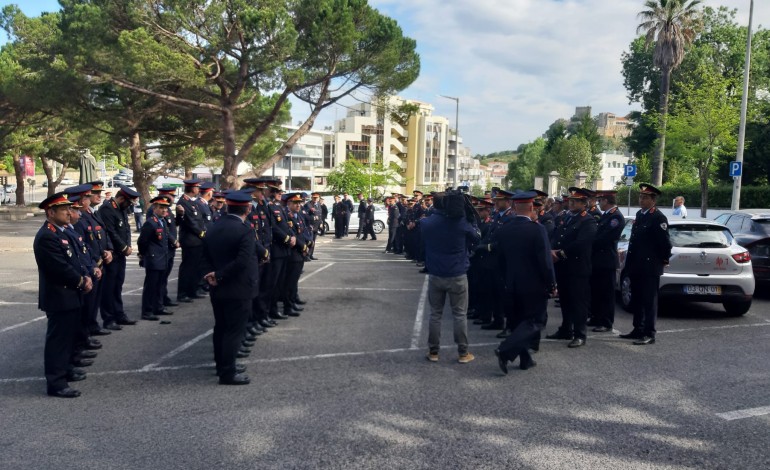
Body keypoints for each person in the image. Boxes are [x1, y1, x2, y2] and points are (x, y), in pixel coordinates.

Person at [34, 192, 93, 398]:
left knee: (68, 338)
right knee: (58, 341)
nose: (70, 212)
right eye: (64, 209)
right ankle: (56, 383)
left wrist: (85, 275)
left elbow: (77, 258)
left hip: (71, 294)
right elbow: (59, 268)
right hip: (59, 296)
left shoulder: (63, 232)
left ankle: (66, 369)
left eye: (70, 209)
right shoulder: (47, 236)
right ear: (50, 212)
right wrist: (80, 281)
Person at [201, 191, 260, 385]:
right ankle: (227, 372)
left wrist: (213, 275)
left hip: (218, 287)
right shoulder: (244, 230)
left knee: (221, 328)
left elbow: (205, 255)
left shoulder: (214, 226)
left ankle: (223, 366)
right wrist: (218, 275)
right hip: (238, 287)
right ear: (248, 208)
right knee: (234, 331)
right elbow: (242, 261)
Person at [494, 191, 555, 373]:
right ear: (531, 207)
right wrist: (551, 283)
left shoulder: (504, 229)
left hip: (511, 283)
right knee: (536, 321)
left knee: (519, 322)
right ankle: (504, 350)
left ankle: (525, 360)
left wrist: (505, 280)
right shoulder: (537, 229)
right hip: (533, 285)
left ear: (514, 207)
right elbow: (545, 261)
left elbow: (500, 260)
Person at [421, 191, 481, 364]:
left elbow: (424, 230)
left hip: (436, 274)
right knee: (459, 315)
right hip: (457, 273)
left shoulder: (428, 222)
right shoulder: (461, 224)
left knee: (435, 314)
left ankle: (433, 351)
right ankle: (463, 352)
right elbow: (476, 237)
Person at [620, 183, 672, 345]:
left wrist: (663, 260)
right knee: (638, 298)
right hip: (636, 264)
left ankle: (649, 333)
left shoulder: (658, 217)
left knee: (649, 300)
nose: (641, 200)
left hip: (650, 266)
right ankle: (638, 329)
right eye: (640, 197)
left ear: (653, 200)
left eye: (645, 198)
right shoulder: (640, 214)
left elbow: (665, 243)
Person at [546, 187, 597, 348]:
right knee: (566, 300)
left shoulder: (588, 220)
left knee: (578, 302)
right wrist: (552, 250)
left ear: (584, 203)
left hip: (577, 268)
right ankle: (566, 329)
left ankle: (579, 334)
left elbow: (581, 244)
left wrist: (560, 253)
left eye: (576, 201)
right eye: (571, 201)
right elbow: (557, 236)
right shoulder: (567, 218)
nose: (572, 203)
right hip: (564, 267)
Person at [98, 184, 140, 330]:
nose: (129, 206)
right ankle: (108, 318)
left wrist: (127, 246)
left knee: (117, 286)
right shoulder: (107, 209)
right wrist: (123, 247)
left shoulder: (121, 209)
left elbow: (126, 230)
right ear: (121, 198)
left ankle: (119, 314)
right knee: (108, 288)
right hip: (112, 253)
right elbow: (110, 232)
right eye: (128, 202)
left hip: (120, 254)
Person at [589, 190, 625, 333]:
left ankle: (606, 322)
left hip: (606, 260)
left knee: (606, 293)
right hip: (598, 259)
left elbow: (605, 237)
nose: (599, 203)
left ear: (606, 200)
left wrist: (589, 242)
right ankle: (597, 317)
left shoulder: (616, 217)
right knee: (597, 291)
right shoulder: (607, 215)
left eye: (600, 200)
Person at [138, 196, 175, 321]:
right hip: (154, 259)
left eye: (166, 208)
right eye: (161, 208)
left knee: (160, 285)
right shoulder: (150, 222)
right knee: (151, 286)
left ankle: (158, 307)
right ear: (155, 208)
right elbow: (142, 241)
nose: (165, 210)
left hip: (162, 258)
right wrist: (144, 255)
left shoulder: (162, 221)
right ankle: (147, 311)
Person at [176, 179, 207, 302]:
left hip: (197, 240)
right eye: (197, 187)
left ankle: (192, 291)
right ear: (192, 188)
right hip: (190, 240)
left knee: (195, 267)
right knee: (187, 268)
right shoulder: (183, 202)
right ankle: (183, 293)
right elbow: (190, 222)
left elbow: (200, 220)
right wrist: (201, 233)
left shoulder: (194, 202)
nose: (198, 190)